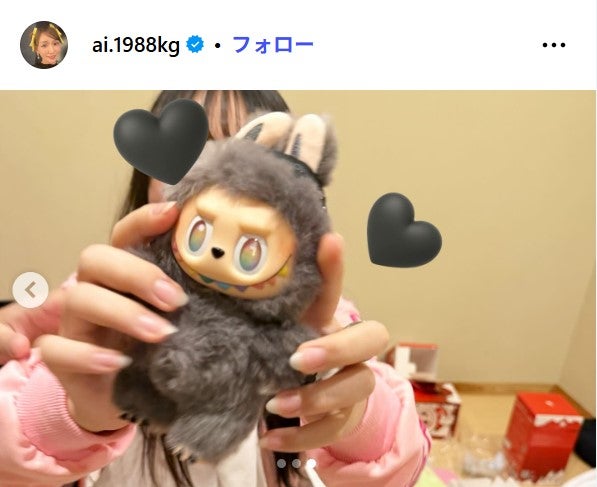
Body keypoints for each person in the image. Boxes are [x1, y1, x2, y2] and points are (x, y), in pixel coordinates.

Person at [0, 91, 431, 487]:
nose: (220, 189)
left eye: (248, 160)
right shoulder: (97, 305)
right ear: (147, 183)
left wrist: (356, 420)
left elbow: (398, 467)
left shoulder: (319, 322)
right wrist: (73, 413)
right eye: (193, 156)